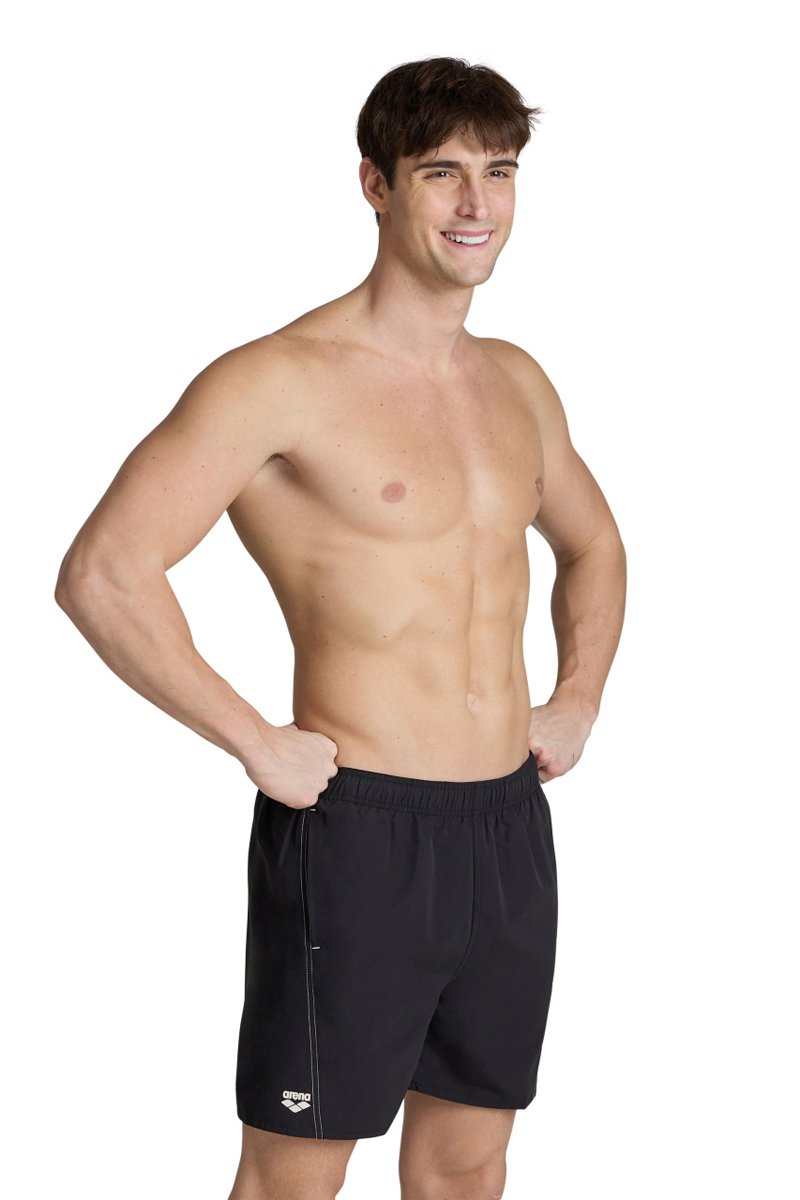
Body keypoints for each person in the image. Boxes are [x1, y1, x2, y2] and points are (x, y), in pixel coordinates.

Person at [55, 55, 626, 1200]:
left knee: (469, 1164)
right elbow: (104, 574)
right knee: (294, 1177)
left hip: (505, 826)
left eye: (498, 171)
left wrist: (575, 699)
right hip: (357, 831)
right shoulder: (276, 380)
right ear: (375, 184)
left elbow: (593, 546)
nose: (475, 203)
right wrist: (252, 739)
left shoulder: (515, 382)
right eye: (441, 173)